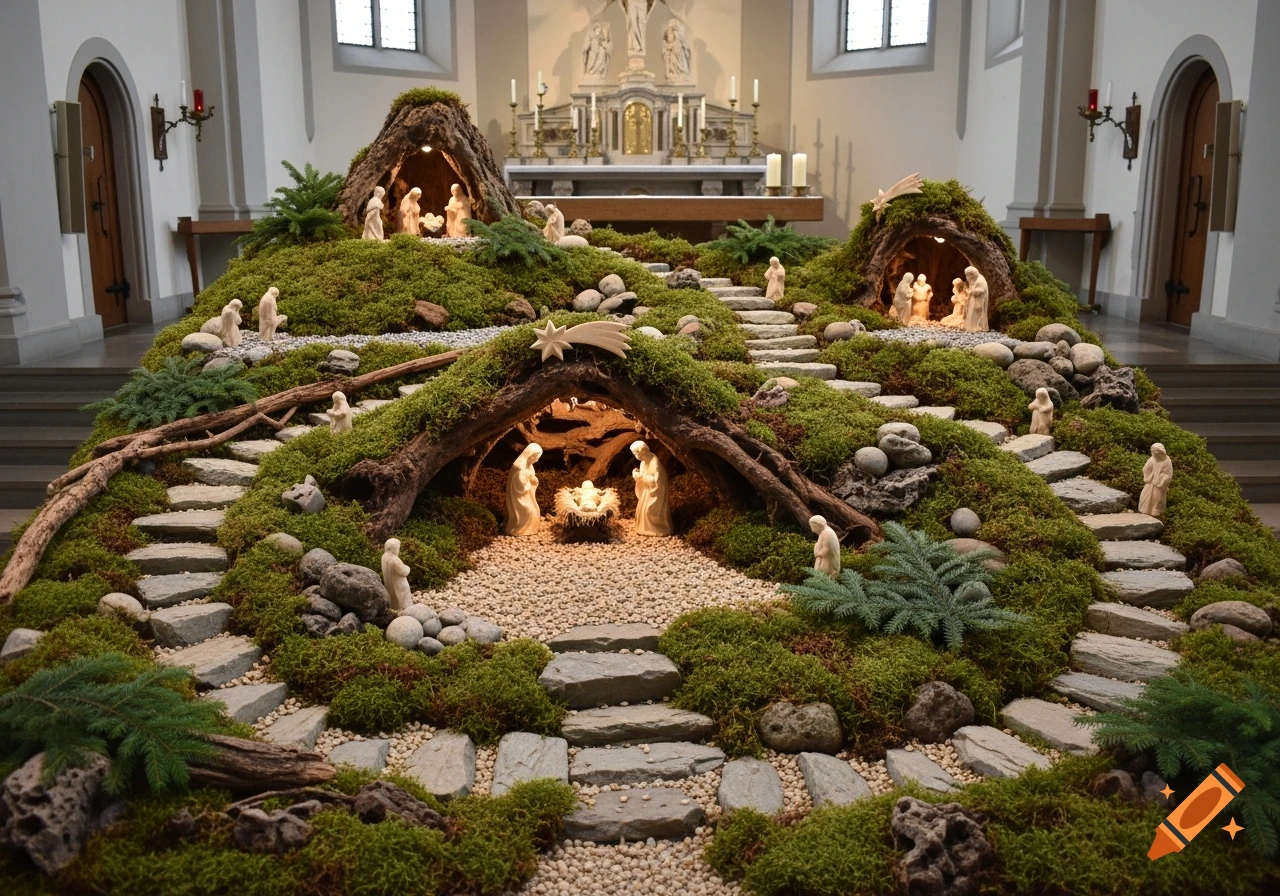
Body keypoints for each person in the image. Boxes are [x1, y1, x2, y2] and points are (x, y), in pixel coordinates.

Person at [631, 440, 672, 536]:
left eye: (636, 453)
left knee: (649, 511)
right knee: (642, 511)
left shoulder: (655, 464)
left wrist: (643, 477)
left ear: (642, 451)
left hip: (655, 492)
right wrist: (637, 476)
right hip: (646, 491)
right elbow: (643, 476)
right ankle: (644, 528)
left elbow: (656, 482)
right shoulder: (643, 463)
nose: (636, 456)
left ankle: (658, 529)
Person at [505, 444, 543, 535]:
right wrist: (530, 484)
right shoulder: (519, 469)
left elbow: (531, 475)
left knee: (536, 511)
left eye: (537, 458)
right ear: (529, 455)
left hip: (527, 496)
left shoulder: (529, 465)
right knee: (530, 512)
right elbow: (520, 488)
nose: (536, 460)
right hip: (519, 498)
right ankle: (518, 529)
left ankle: (529, 529)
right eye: (535, 457)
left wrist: (533, 479)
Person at [1138, 442, 1173, 518]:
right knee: (1145, 494)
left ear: (1161, 453)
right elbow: (1146, 469)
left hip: (1159, 483)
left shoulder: (1167, 461)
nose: (1155, 456)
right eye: (1153, 454)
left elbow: (1168, 473)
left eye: (1156, 454)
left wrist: (1163, 479)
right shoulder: (1152, 459)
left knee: (1158, 496)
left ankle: (1156, 508)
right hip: (1151, 481)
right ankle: (1145, 509)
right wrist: (1148, 477)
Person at [381, 538, 412, 612]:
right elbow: (404, 572)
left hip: (389, 583)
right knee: (402, 598)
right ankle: (406, 609)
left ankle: (394, 608)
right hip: (399, 585)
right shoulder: (395, 560)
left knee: (392, 596)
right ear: (393, 549)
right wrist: (408, 567)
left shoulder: (384, 557)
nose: (399, 550)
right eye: (398, 548)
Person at [963, 265, 989, 333]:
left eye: (968, 275)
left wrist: (972, 292)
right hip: (974, 299)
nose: (967, 277)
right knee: (972, 313)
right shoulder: (974, 279)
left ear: (972, 274)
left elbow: (982, 290)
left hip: (979, 301)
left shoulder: (980, 280)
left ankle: (977, 327)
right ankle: (971, 326)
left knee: (977, 314)